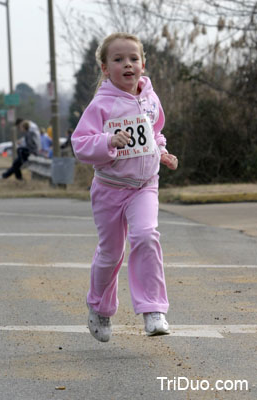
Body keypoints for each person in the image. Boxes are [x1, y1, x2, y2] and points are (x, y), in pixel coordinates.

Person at [71, 32, 178, 343]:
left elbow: (155, 132)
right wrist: (107, 141)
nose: (127, 64)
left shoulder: (151, 99)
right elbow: (80, 144)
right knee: (111, 253)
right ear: (105, 68)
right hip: (109, 189)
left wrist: (162, 151)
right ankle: (100, 307)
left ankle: (153, 309)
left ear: (143, 64)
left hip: (145, 186)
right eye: (118, 59)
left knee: (146, 236)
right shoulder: (101, 105)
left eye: (133, 58)